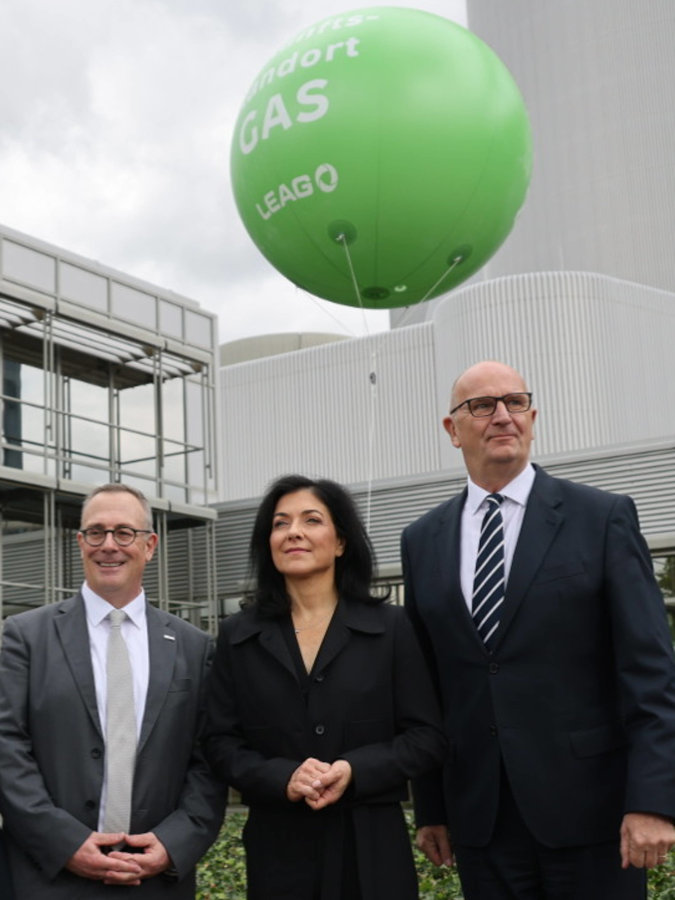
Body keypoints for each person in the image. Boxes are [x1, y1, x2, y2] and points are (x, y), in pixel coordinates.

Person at [401, 360, 675, 899]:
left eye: (516, 402)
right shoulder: (422, 540)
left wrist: (653, 801)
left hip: (594, 816)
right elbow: (426, 687)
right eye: (483, 405)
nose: (503, 416)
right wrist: (431, 805)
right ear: (453, 429)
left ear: (532, 417)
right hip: (482, 822)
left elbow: (650, 673)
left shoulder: (602, 518)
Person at [204, 474, 446, 900]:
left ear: (340, 542)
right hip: (279, 848)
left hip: (372, 845)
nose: (293, 532)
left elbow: (427, 736)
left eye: (311, 520)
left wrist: (354, 769)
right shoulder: (238, 635)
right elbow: (220, 742)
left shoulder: (392, 628)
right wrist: (283, 776)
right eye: (280, 523)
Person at [0, 483, 225, 897]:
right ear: (80, 542)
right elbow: (6, 747)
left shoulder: (194, 647)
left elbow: (209, 757)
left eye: (124, 533)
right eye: (95, 532)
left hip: (155, 881)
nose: (108, 545)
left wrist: (173, 843)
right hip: (47, 879)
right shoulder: (24, 636)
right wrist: (65, 843)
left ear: (150, 545)